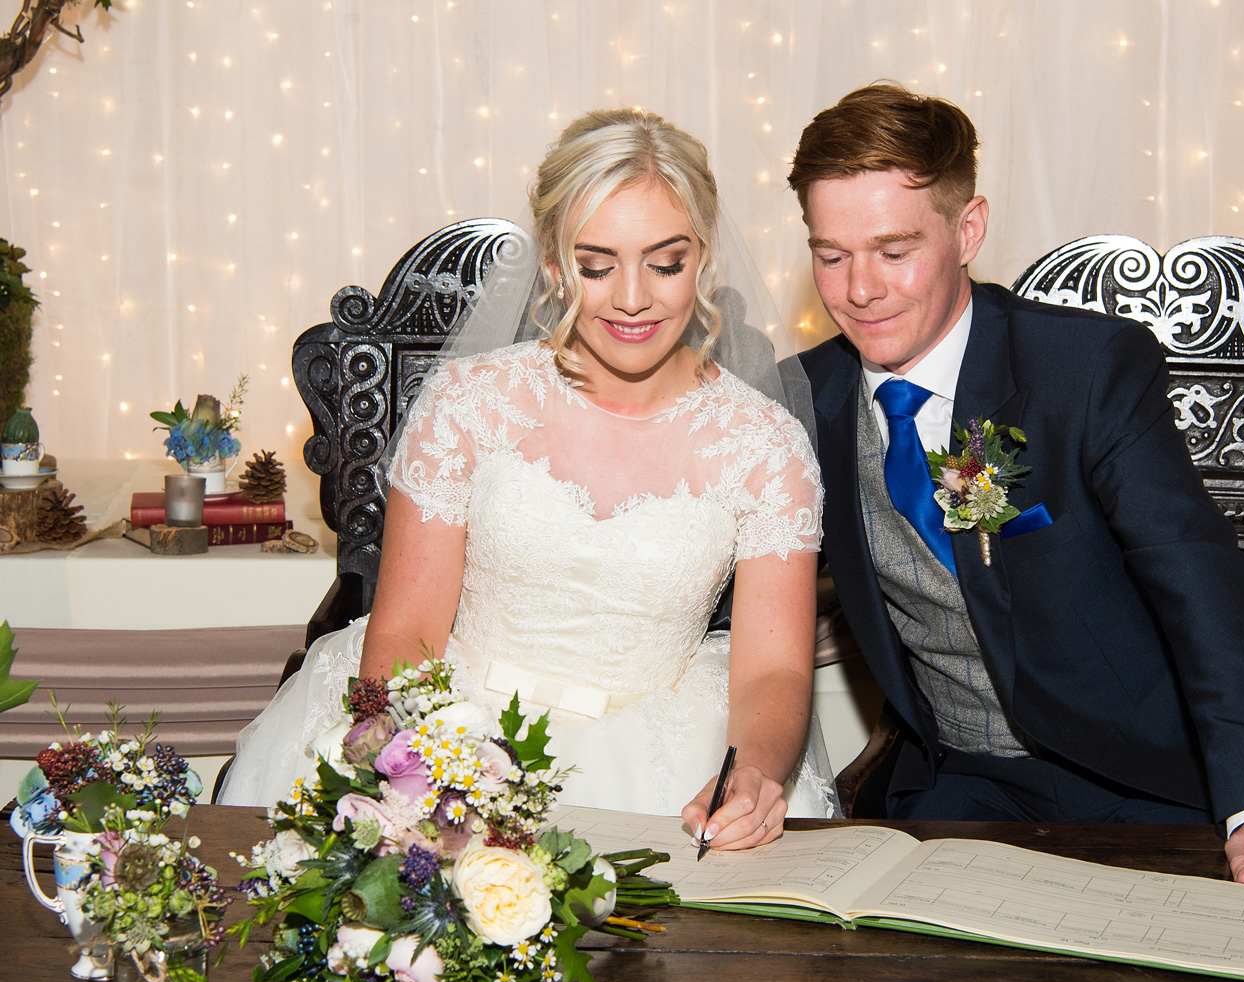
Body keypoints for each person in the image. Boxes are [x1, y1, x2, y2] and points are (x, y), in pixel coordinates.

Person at [790, 83, 1244, 910]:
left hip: (1151, 780)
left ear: (968, 228)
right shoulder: (804, 400)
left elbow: (1199, 576)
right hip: (965, 791)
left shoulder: (1084, 370)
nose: (859, 289)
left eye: (893, 249)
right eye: (830, 255)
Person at [220, 108, 837, 849]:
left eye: (665, 263)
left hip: (660, 759)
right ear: (552, 264)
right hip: (449, 721)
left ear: (702, 259)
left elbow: (772, 672)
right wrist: (423, 772)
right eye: (596, 263)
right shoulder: (468, 404)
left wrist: (755, 772)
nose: (632, 297)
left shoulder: (765, 446)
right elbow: (410, 628)